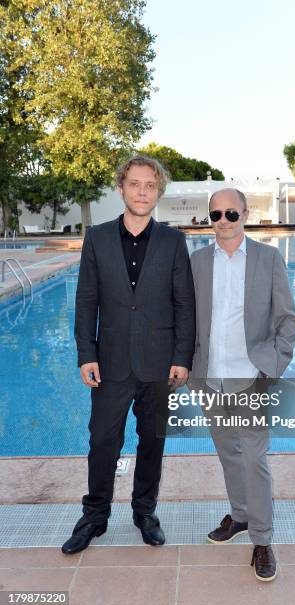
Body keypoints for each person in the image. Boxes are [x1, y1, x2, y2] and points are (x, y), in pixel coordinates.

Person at [62, 155, 195, 554]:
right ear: (121, 187)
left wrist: (182, 357)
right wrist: (87, 353)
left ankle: (145, 512)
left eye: (150, 186)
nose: (142, 192)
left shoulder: (173, 241)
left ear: (159, 192)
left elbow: (184, 304)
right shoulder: (97, 238)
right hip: (111, 363)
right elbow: (86, 300)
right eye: (135, 184)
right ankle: (94, 517)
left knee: (152, 442)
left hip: (158, 364)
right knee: (103, 441)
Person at [190, 188, 295, 581]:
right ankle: (239, 515)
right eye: (215, 214)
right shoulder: (198, 261)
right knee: (228, 453)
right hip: (209, 377)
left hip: (251, 377)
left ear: (245, 214)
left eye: (230, 213)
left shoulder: (268, 258)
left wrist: (273, 366)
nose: (222, 221)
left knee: (254, 457)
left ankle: (262, 539)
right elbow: (188, 319)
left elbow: (287, 318)